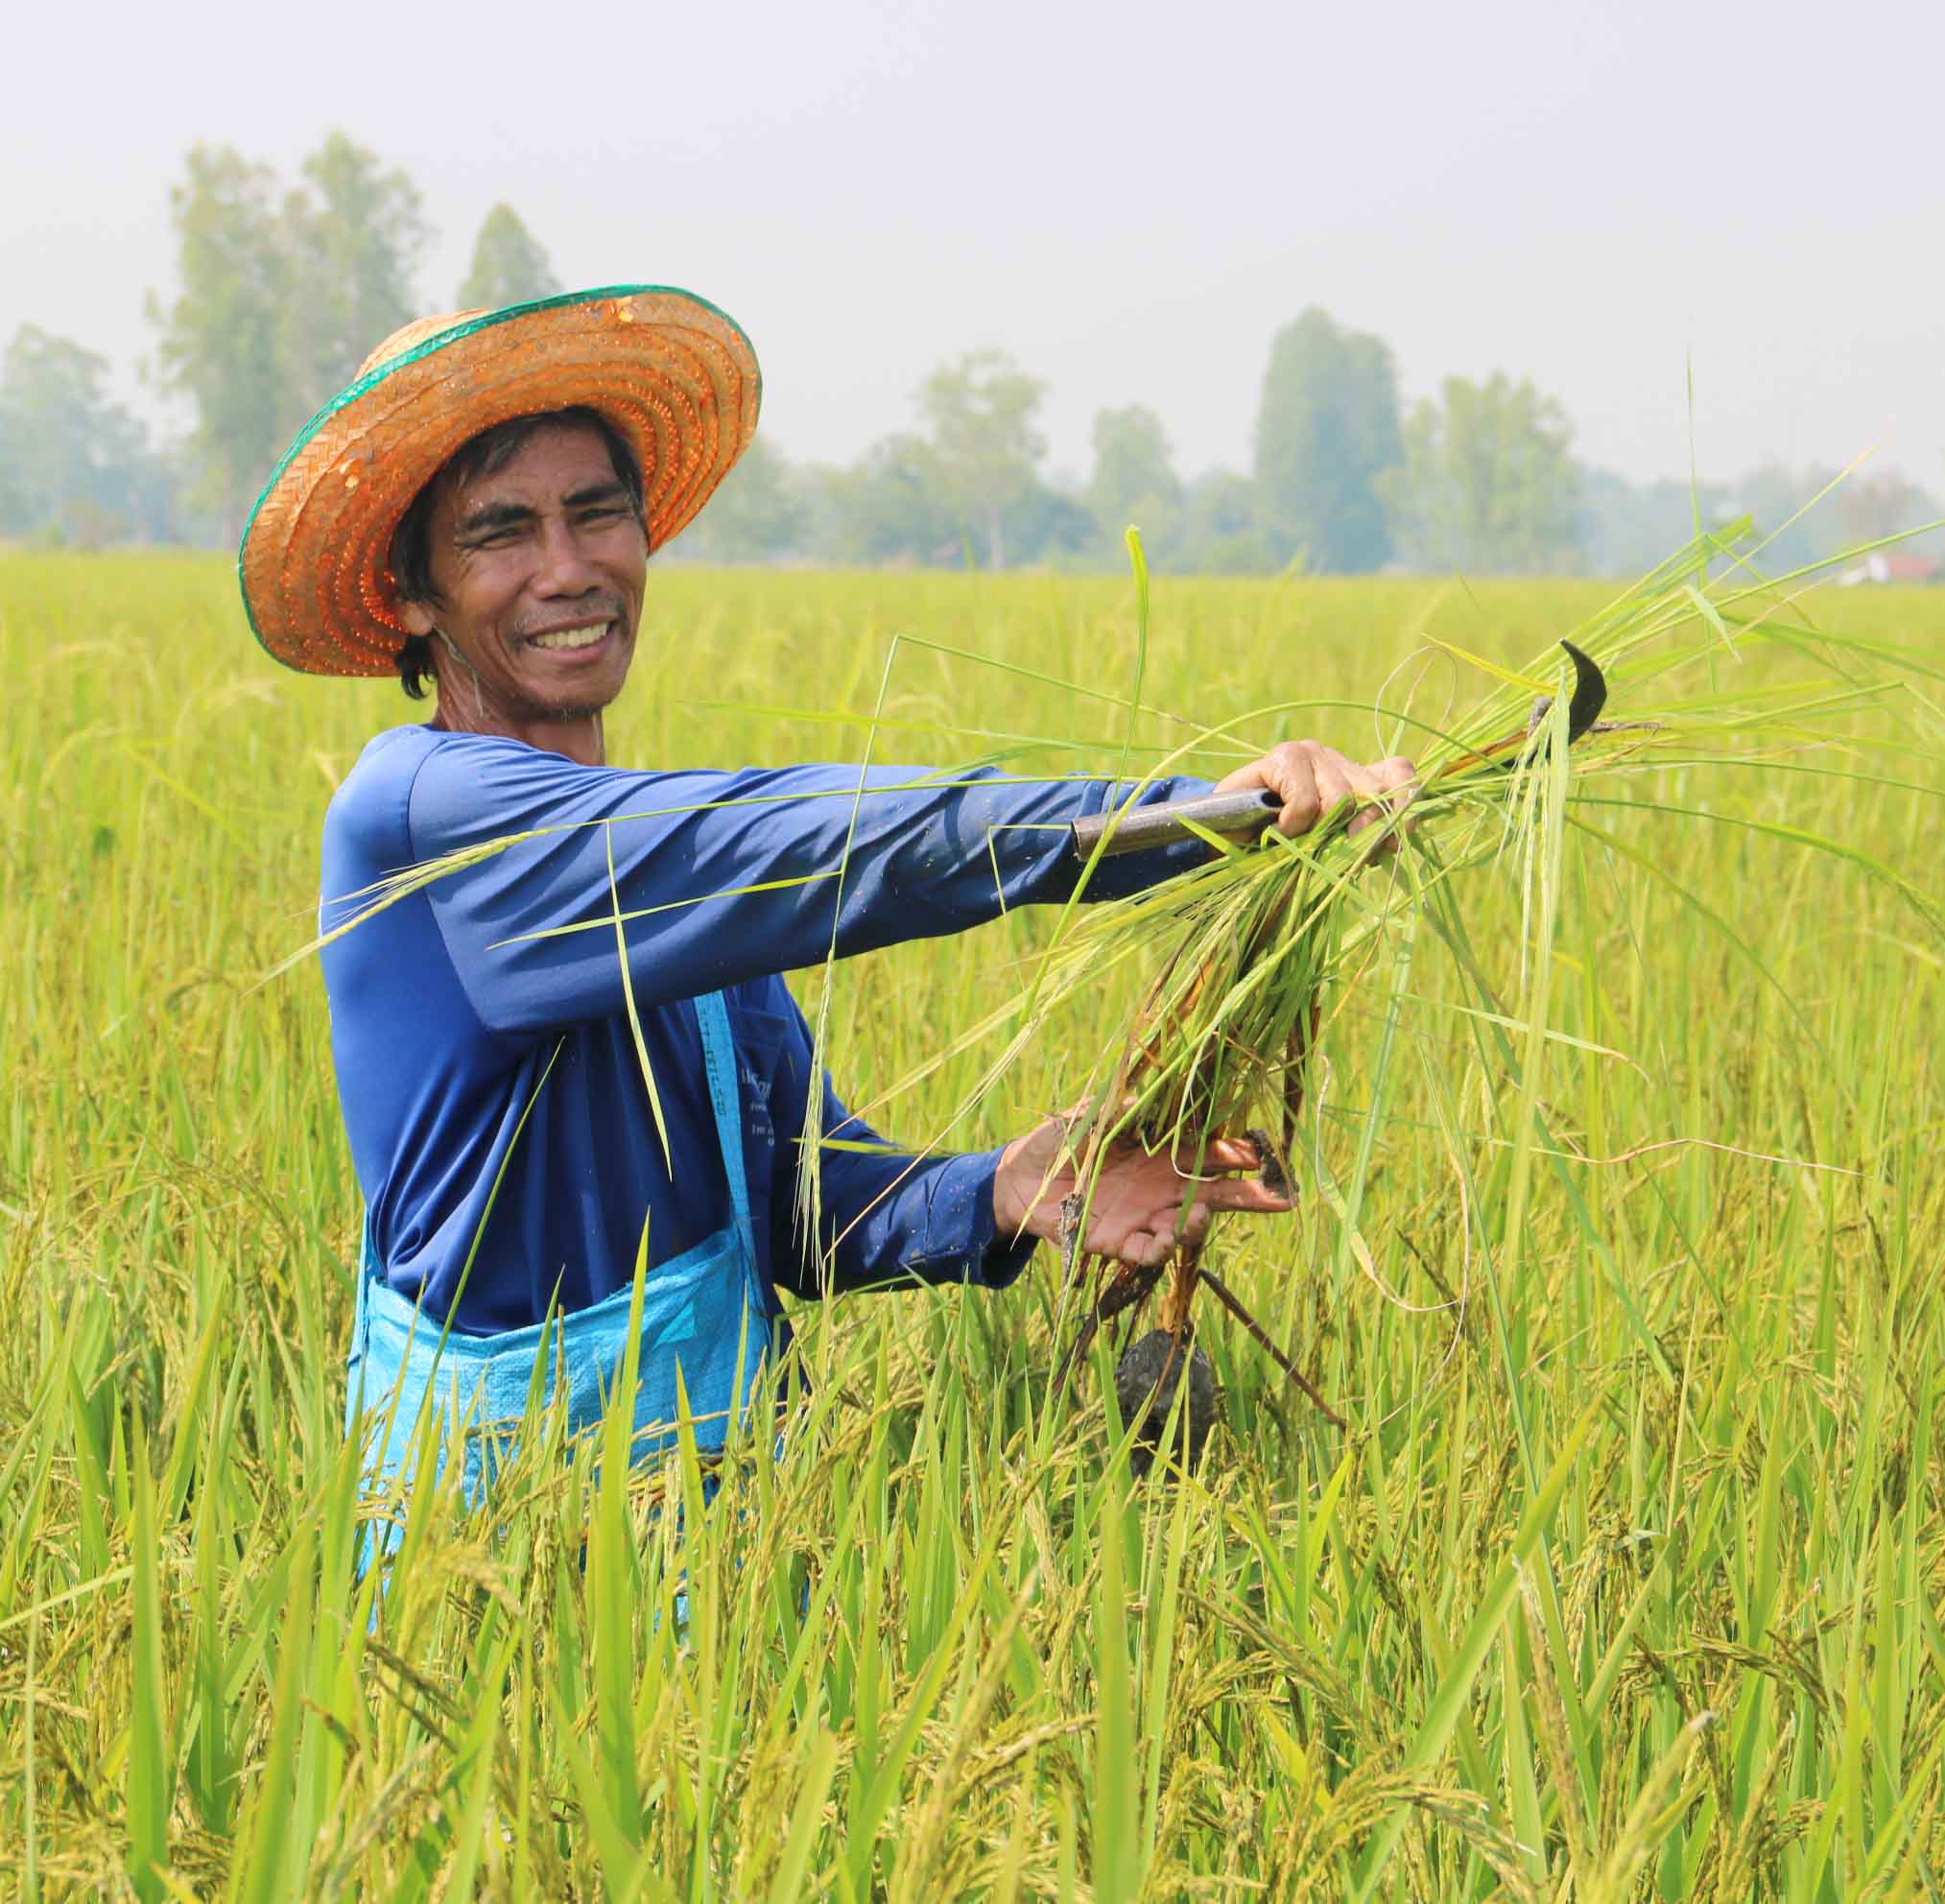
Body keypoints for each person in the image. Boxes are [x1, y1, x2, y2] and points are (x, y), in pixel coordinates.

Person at [238, 288, 1411, 1512]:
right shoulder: (422, 816)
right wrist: (1196, 822)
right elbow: (835, 842)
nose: (569, 569)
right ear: (413, 593)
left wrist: (1013, 1186)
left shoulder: (676, 876)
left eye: (597, 514)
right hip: (490, 1549)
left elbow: (803, 1206)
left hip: (728, 1539)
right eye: (500, 533)